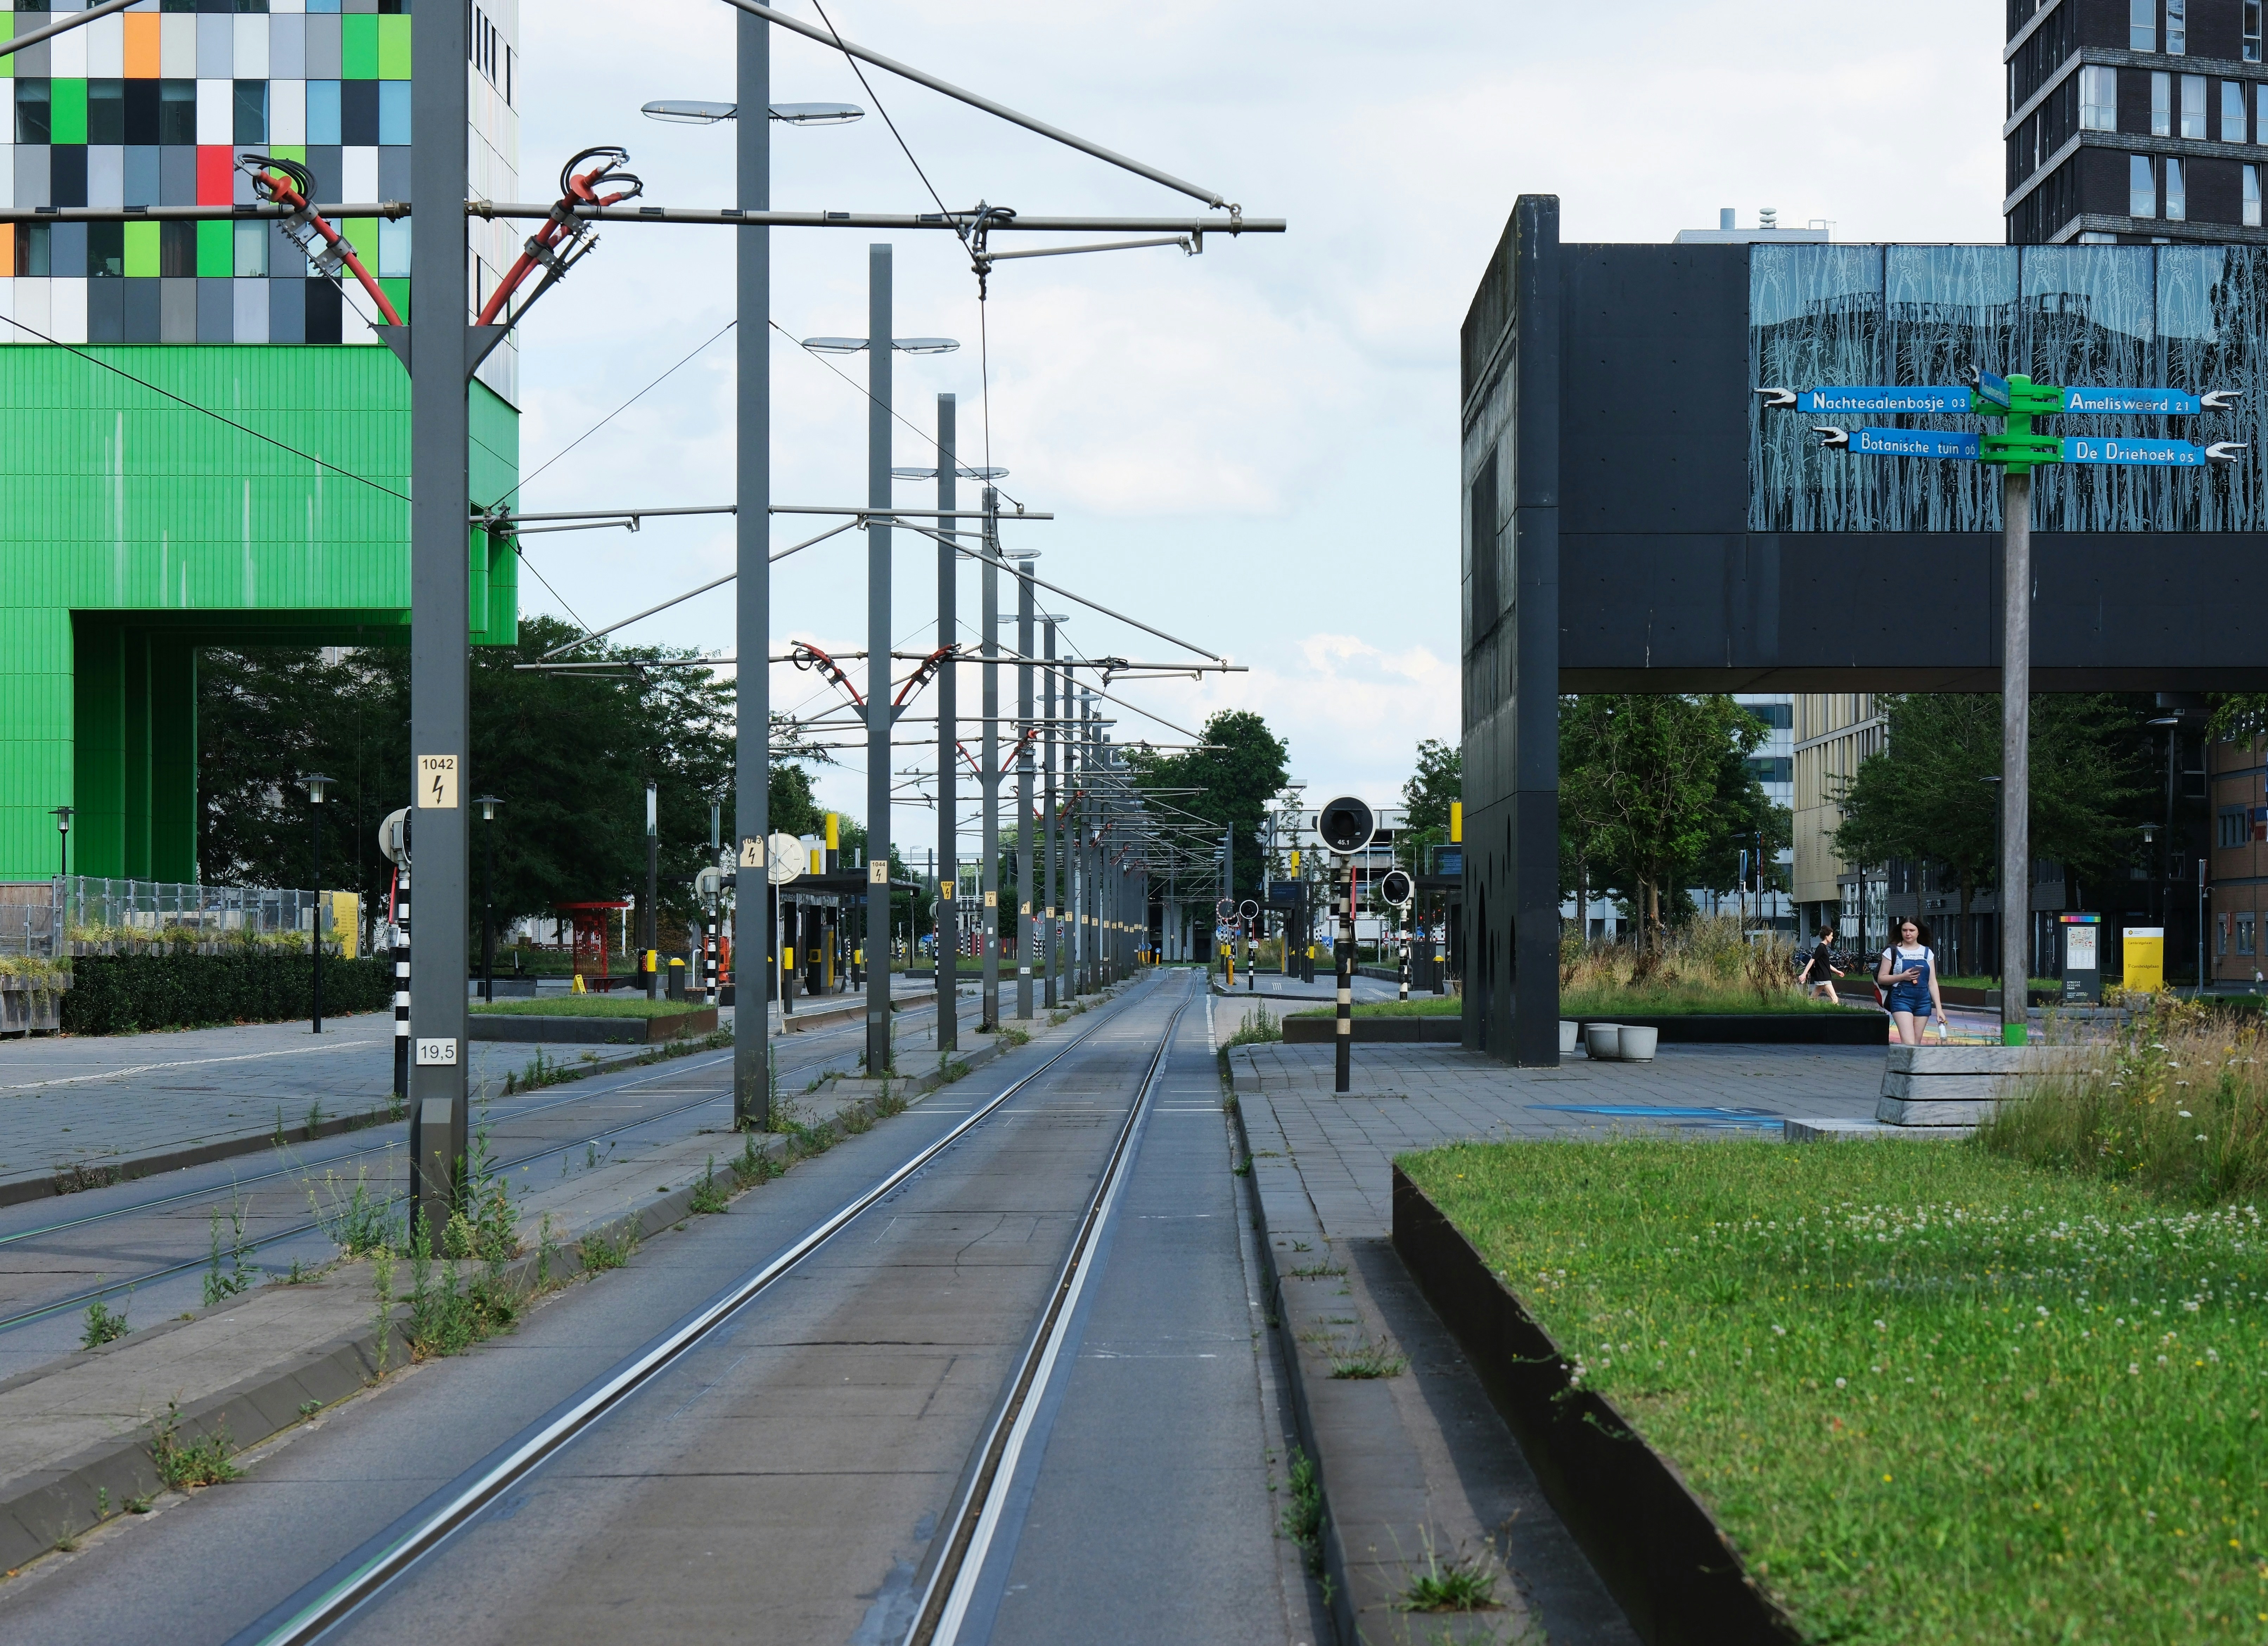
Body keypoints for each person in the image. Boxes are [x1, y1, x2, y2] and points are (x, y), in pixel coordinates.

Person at [1876, 917, 1946, 1046]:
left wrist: (1939, 1009)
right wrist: (1903, 977)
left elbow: (1932, 983)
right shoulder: (1893, 951)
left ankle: (1909, 1067)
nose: (1908, 934)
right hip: (1901, 999)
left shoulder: (1927, 952)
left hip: (1923, 1001)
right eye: (1905, 930)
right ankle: (1903, 1066)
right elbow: (1882, 978)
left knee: (1917, 1044)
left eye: (1912, 930)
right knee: (1909, 1043)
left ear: (1919, 932)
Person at [1801, 922, 1845, 1004]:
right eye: (1831, 936)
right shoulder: (1821, 948)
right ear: (1827, 936)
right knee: (1835, 1000)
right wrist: (1804, 974)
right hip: (1824, 978)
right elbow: (1812, 960)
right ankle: (1835, 1016)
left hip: (1822, 977)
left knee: (1812, 1000)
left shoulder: (1823, 948)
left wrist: (1837, 971)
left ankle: (1807, 1011)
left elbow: (1827, 964)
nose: (1832, 937)